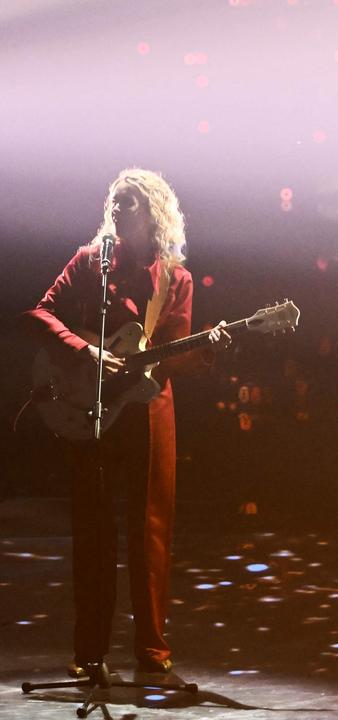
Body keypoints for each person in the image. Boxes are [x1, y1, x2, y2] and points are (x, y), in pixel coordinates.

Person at [24, 168, 230, 678]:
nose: (118, 208)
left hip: (148, 410)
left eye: (130, 202)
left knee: (150, 531)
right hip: (90, 409)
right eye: (114, 200)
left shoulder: (174, 280)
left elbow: (170, 356)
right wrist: (86, 350)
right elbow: (41, 313)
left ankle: (152, 652)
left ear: (152, 211)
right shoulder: (89, 262)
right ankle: (89, 653)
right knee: (92, 532)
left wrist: (205, 349)